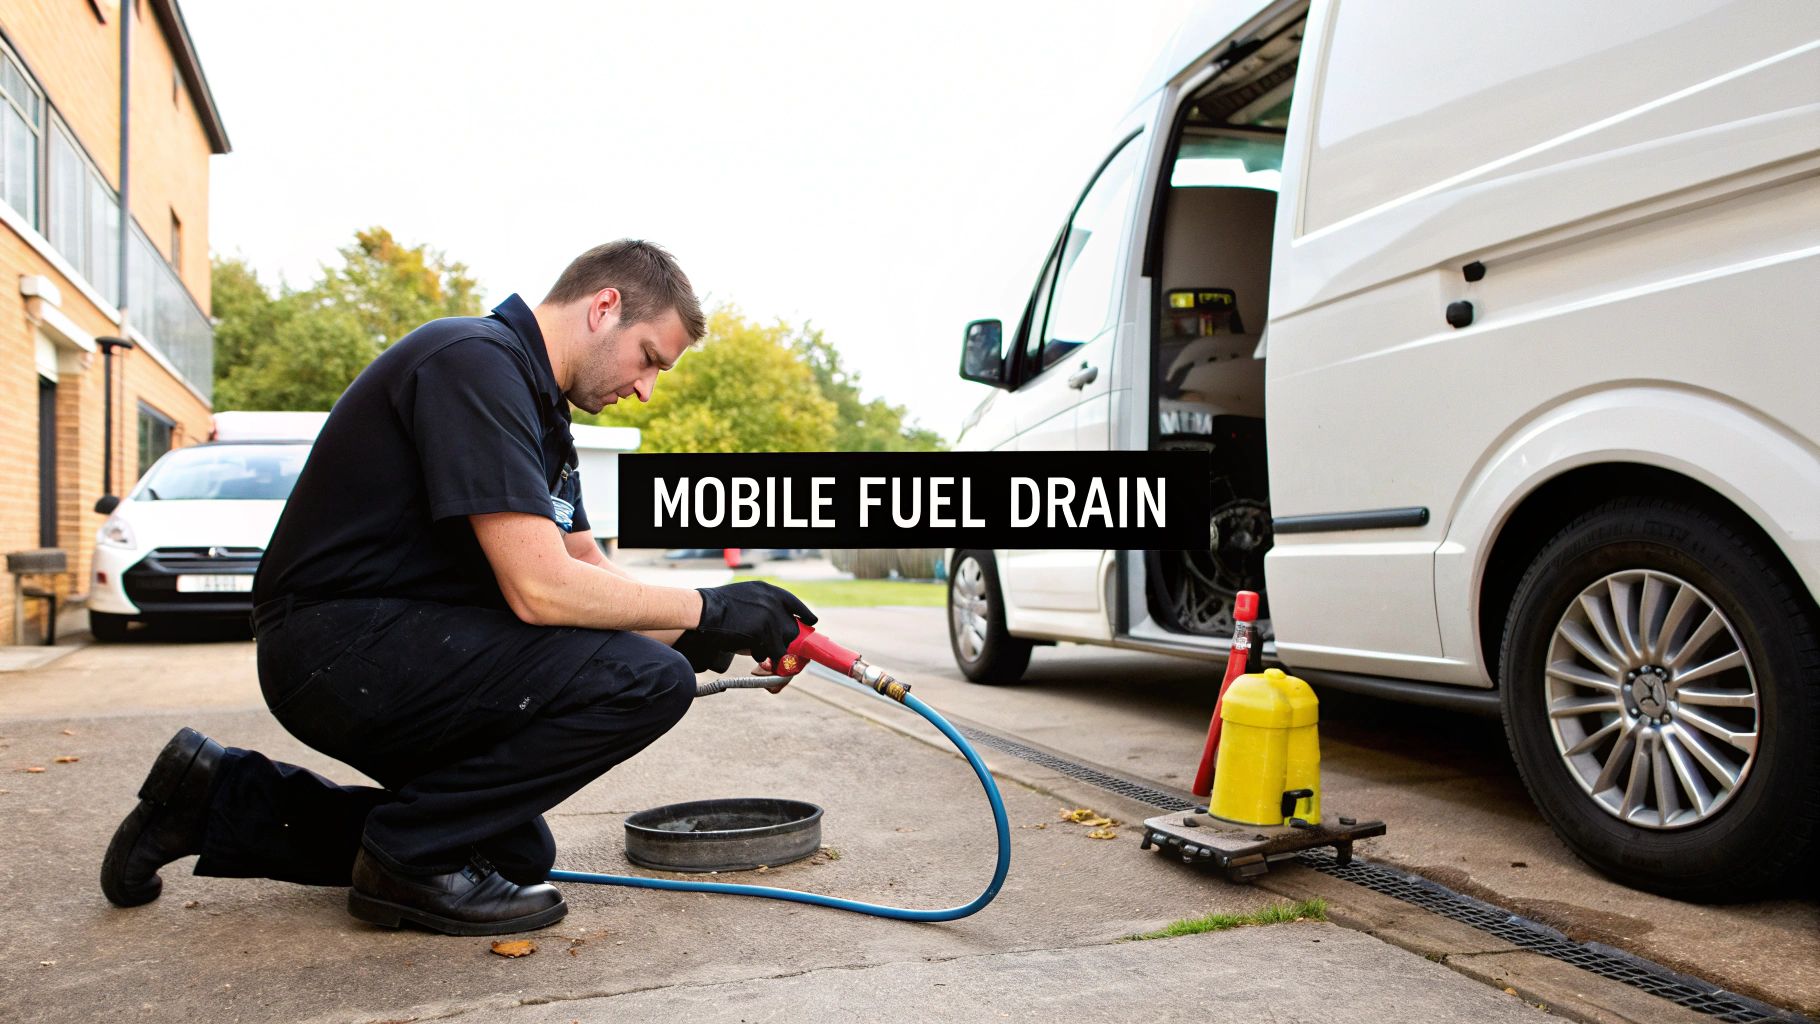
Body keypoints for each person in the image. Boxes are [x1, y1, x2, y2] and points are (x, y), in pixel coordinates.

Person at [99, 240, 815, 936]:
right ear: (605, 307)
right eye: (649, 358)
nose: (645, 388)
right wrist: (709, 607)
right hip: (336, 647)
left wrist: (716, 628)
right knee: (648, 683)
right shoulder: (473, 364)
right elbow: (542, 589)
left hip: (404, 646)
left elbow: (585, 574)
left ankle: (212, 799)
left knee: (509, 852)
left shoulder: (544, 413)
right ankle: (404, 861)